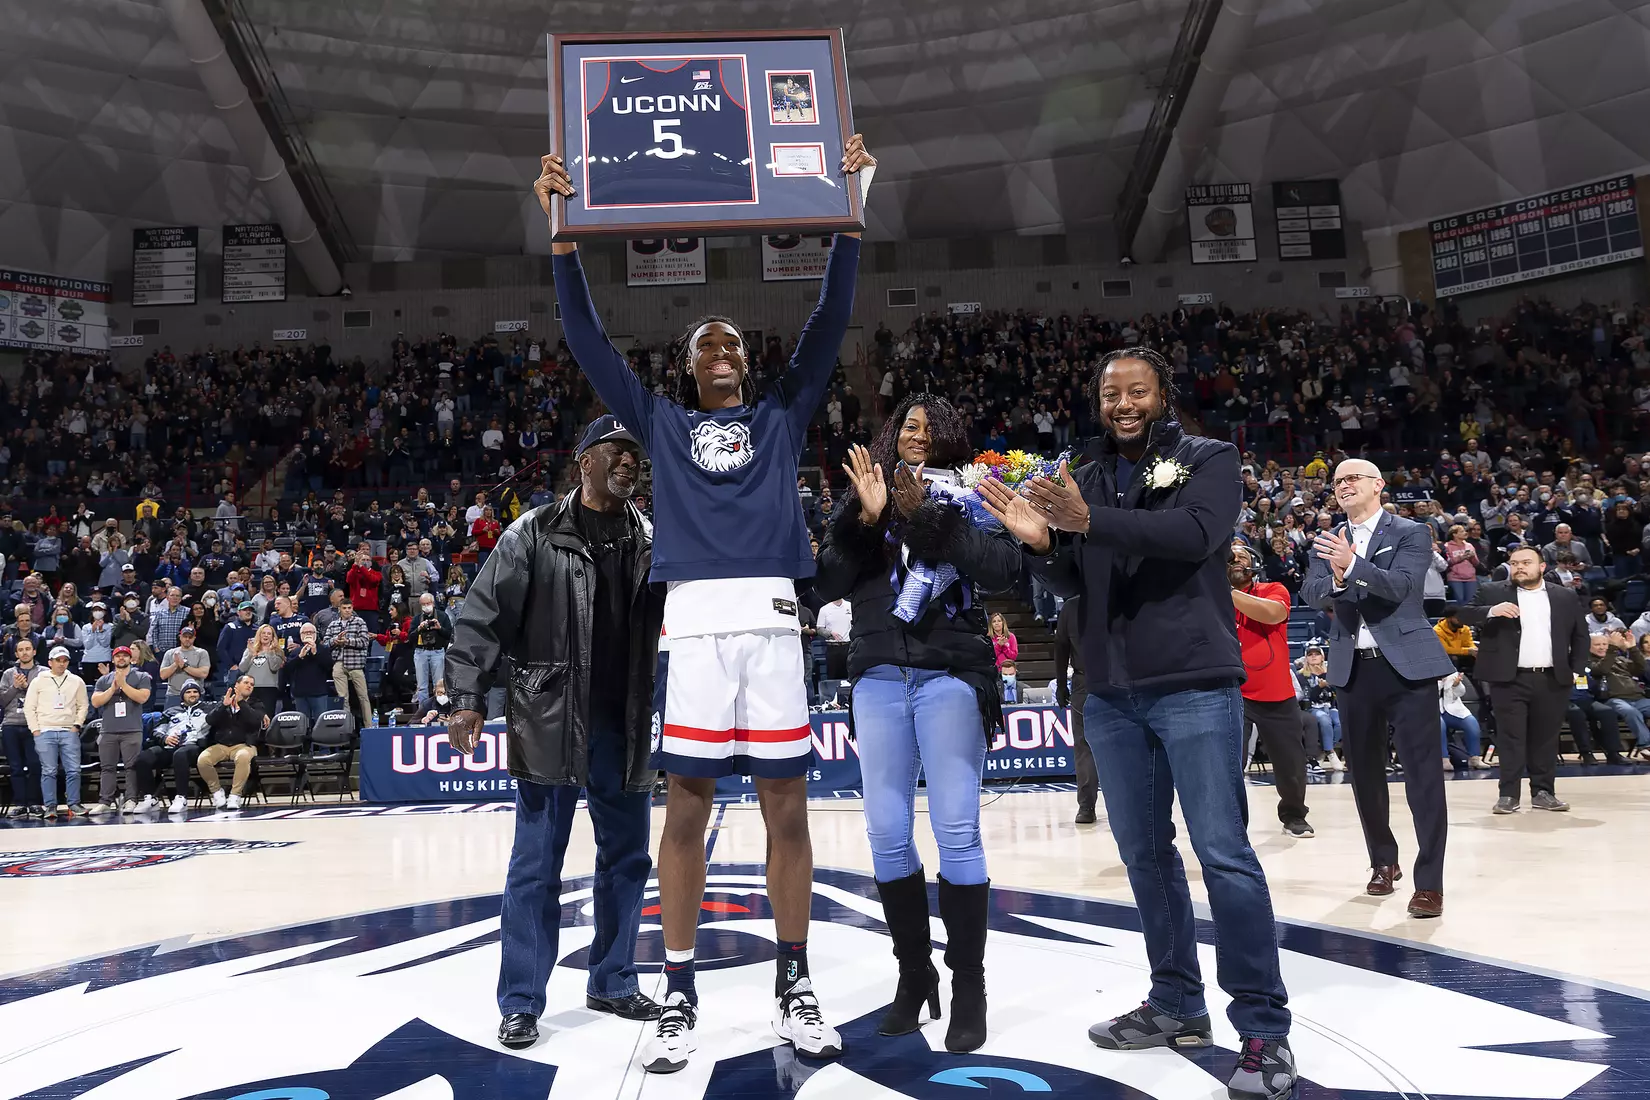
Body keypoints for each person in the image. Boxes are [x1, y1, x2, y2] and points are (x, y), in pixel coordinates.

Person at [535, 136, 875, 1072]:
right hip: (691, 621)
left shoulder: (781, 415)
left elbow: (829, 318)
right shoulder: (661, 422)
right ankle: (679, 989)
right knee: (683, 812)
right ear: (688, 369)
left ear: (746, 361)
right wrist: (563, 237)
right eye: (704, 342)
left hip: (770, 618)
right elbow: (588, 343)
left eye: (731, 339)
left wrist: (849, 211)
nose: (720, 347)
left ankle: (794, 981)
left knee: (786, 811)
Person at [977, 347, 1296, 1100]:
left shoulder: (1210, 458)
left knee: (1223, 855)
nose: (1122, 402)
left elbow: (1195, 538)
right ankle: (1177, 1004)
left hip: (1191, 680)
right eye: (1110, 392)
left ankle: (1263, 1029)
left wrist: (1089, 521)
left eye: (1137, 390)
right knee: (1145, 858)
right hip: (1110, 692)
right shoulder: (1081, 478)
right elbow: (1071, 581)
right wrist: (1044, 545)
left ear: (1163, 396)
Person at [446, 415, 666, 1050]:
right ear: (583, 463)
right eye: (615, 452)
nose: (629, 462)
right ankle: (521, 1000)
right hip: (549, 720)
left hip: (623, 723)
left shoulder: (649, 537)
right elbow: (480, 616)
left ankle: (614, 978)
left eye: (635, 454)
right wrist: (466, 695)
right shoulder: (534, 532)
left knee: (627, 857)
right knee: (536, 864)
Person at [814, 397, 1020, 1054]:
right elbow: (824, 583)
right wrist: (871, 520)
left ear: (950, 437)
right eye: (908, 425)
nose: (919, 434)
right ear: (890, 436)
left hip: (953, 672)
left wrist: (932, 522)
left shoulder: (976, 493)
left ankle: (969, 987)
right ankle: (914, 976)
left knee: (958, 829)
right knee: (886, 833)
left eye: (932, 427)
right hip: (877, 673)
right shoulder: (861, 494)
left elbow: (1005, 570)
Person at [1302, 459, 1456, 919]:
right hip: (1353, 670)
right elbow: (1312, 594)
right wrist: (1335, 573)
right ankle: (1383, 862)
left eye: (1352, 478)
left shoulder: (1410, 531)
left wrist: (1352, 567)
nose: (1344, 485)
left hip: (1407, 668)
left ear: (1377, 485)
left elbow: (1404, 590)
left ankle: (1429, 882)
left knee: (1423, 776)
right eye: (1337, 481)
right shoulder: (1327, 540)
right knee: (1365, 775)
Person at [1456, 546, 1589, 812]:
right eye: (1514, 563)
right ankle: (1508, 795)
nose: (1519, 567)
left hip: (1552, 678)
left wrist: (1576, 671)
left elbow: (1580, 636)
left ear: (1542, 567)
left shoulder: (1564, 596)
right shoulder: (1493, 591)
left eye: (1526, 562)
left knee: (1546, 738)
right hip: (1509, 679)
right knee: (1511, 738)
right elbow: (1462, 614)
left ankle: (1543, 792)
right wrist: (1492, 611)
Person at [1228, 542, 1312, 838]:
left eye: (1242, 557)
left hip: (1276, 693)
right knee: (1228, 764)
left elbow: (1273, 614)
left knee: (1291, 762)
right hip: (1231, 692)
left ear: (1255, 564)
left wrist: (1223, 592)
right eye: (1230, 557)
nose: (1236, 560)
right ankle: (1233, 823)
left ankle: (1293, 815)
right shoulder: (1206, 598)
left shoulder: (1273, 589)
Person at [85, 645, 153, 814]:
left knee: (131, 767)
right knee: (107, 767)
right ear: (113, 659)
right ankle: (105, 801)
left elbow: (143, 697)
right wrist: (113, 688)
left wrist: (123, 685)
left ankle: (131, 799)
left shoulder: (141, 676)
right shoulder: (104, 680)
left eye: (125, 656)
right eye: (118, 656)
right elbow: (95, 702)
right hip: (108, 731)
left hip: (132, 730)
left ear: (131, 659)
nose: (121, 658)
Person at [129, 678, 212, 814]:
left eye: (195, 691)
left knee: (180, 755)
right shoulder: (171, 711)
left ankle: (181, 798)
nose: (192, 694)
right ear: (182, 695)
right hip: (170, 745)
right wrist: (165, 738)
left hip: (194, 746)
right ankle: (150, 798)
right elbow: (157, 730)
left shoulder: (207, 709)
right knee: (143, 758)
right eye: (189, 692)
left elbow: (217, 719)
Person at [26, 645, 90, 819]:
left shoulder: (76, 681)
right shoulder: (39, 680)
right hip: (45, 731)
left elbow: (83, 705)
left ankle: (74, 804)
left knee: (74, 770)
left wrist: (77, 725)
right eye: (58, 661)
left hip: (68, 730)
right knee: (49, 771)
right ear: (50, 662)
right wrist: (35, 730)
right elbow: (29, 707)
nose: (62, 664)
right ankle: (50, 806)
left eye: (65, 661)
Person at [1053, 594, 1095, 822]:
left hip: (1085, 682)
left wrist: (1061, 684)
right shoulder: (1112, 595)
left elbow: (1060, 647)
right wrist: (1061, 684)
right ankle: (1089, 805)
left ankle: (1086, 807)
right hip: (1104, 681)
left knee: (1083, 746)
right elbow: (1061, 646)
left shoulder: (1070, 606)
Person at [196, 673, 266, 810]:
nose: (249, 686)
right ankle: (217, 792)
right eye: (246, 683)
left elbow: (255, 722)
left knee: (243, 757)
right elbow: (210, 720)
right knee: (203, 760)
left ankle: (235, 795)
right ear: (236, 685)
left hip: (244, 745)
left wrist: (241, 703)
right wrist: (223, 706)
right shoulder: (224, 701)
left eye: (252, 685)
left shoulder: (257, 704)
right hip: (221, 745)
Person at [1, 639, 45, 817]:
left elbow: (47, 698)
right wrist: (15, 687)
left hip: (34, 725)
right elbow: (2, 701)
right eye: (21, 650)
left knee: (35, 765)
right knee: (16, 767)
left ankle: (34, 803)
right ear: (16, 654)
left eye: (28, 649)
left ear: (34, 652)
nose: (25, 652)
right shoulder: (8, 674)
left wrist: (28, 688)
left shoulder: (43, 673)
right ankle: (20, 804)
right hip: (11, 724)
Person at [323, 600, 374, 731]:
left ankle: (369, 727)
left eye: (349, 608)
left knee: (363, 696)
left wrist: (347, 641)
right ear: (339, 609)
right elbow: (325, 644)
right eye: (344, 608)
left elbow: (364, 641)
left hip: (356, 664)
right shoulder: (333, 625)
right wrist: (336, 640)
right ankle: (347, 728)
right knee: (342, 698)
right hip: (339, 663)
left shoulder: (359, 622)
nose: (347, 610)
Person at [1295, 646, 1343, 771]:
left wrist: (1329, 683)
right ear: (1306, 658)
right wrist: (1319, 687)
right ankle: (1331, 753)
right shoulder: (1301, 675)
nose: (1313, 656)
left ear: (1322, 657)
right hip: (1311, 708)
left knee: (1340, 722)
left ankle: (1323, 751)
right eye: (1310, 655)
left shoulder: (1330, 674)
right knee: (1324, 719)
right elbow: (1307, 697)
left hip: (1329, 706)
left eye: (1317, 654)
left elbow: (1338, 693)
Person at [1437, 672, 1486, 771]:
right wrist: (1441, 683)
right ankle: (1444, 760)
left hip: (1452, 709)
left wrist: (1456, 685)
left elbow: (1460, 692)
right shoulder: (1424, 673)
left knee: (1471, 723)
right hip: (1432, 710)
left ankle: (1474, 758)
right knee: (1439, 724)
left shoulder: (1451, 671)